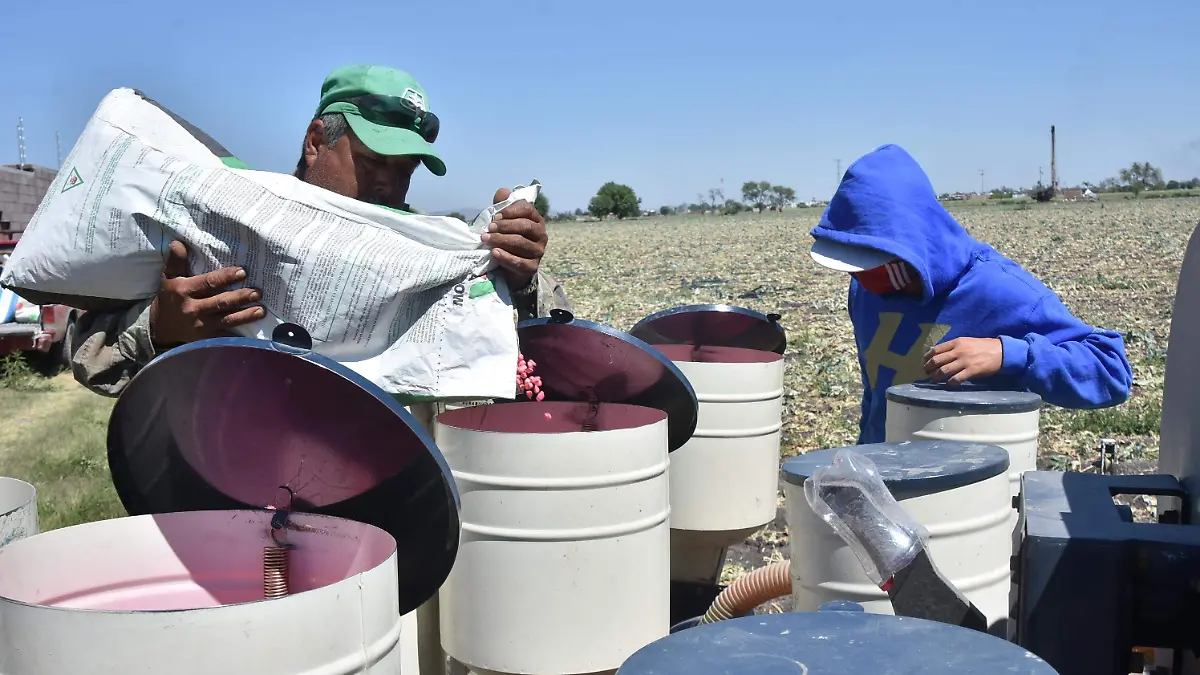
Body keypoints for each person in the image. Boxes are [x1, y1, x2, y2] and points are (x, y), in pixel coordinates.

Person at [70, 64, 570, 397]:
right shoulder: (225, 223)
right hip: (227, 483)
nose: (389, 184)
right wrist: (161, 328)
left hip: (373, 490)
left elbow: (545, 347)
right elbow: (87, 349)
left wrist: (519, 274)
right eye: (374, 162)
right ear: (315, 141)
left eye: (405, 169)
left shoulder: (424, 246)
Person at [808, 144, 1132, 445]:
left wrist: (1007, 354)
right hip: (882, 477)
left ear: (909, 246)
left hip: (970, 492)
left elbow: (1110, 370)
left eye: (869, 265)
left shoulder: (1002, 291)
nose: (861, 279)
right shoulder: (865, 291)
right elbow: (876, 394)